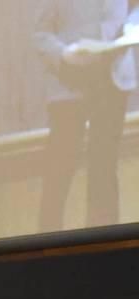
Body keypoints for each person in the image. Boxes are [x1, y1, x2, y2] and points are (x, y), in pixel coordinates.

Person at [34, 0, 138, 230]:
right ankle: (46, 254)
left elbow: (135, 8)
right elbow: (41, 35)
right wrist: (63, 54)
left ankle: (105, 250)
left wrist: (133, 26)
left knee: (105, 168)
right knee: (59, 171)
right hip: (70, 81)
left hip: (112, 78)